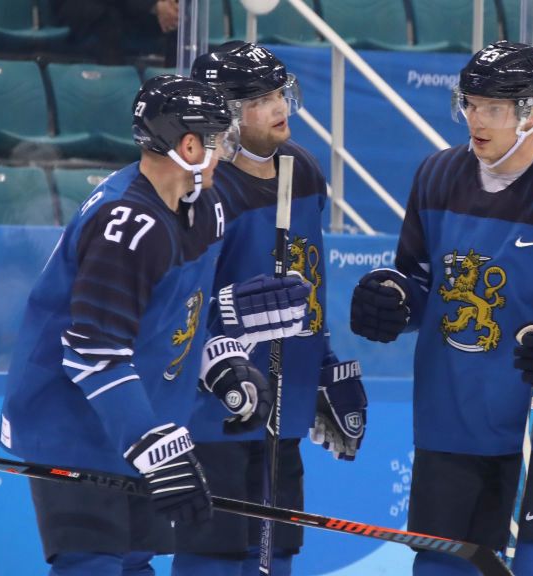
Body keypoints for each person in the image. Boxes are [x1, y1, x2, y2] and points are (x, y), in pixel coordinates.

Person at [349, 40, 533, 576]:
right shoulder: (436, 175)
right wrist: (392, 298)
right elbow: (419, 281)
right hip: (449, 426)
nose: (475, 120)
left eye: (492, 108)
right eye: (469, 103)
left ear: (532, 113)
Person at [0, 75, 310, 576]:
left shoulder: (204, 207)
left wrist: (222, 362)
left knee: (133, 563)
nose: (224, 150)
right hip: (73, 424)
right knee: (94, 565)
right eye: (216, 139)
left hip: (137, 415)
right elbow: (91, 352)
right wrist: (155, 446)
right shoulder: (127, 224)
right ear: (188, 145)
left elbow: (178, 319)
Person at [172, 41, 368, 576]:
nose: (279, 107)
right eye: (260, 99)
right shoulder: (199, 188)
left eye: (279, 92)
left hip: (284, 408)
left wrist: (323, 367)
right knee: (214, 554)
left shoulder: (302, 170)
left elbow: (309, 285)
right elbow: (177, 307)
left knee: (278, 554)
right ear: (223, 114)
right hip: (213, 415)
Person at [53, 0, 179, 65]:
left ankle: (175, 93)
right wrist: (155, 6)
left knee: (179, 19)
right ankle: (111, 90)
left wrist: (168, 5)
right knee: (107, 19)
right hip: (83, 7)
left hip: (127, 7)